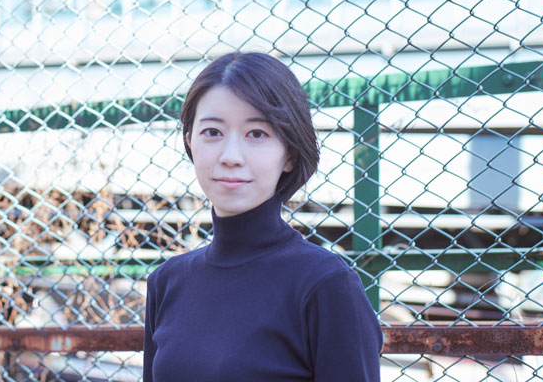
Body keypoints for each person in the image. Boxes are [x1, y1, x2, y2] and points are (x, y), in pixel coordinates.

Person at [142, 52, 383, 381]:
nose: (230, 156)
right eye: (212, 132)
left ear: (290, 153)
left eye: (256, 133)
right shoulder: (167, 282)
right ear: (190, 141)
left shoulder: (325, 285)